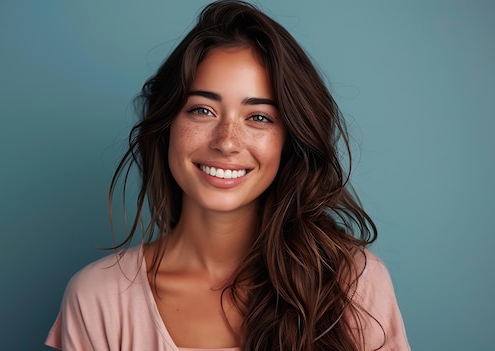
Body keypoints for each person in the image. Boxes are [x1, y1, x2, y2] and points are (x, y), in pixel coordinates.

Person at [45, 1, 410, 350]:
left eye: (259, 117)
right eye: (202, 110)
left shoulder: (353, 284)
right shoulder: (98, 297)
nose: (227, 142)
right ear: (167, 122)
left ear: (290, 140)